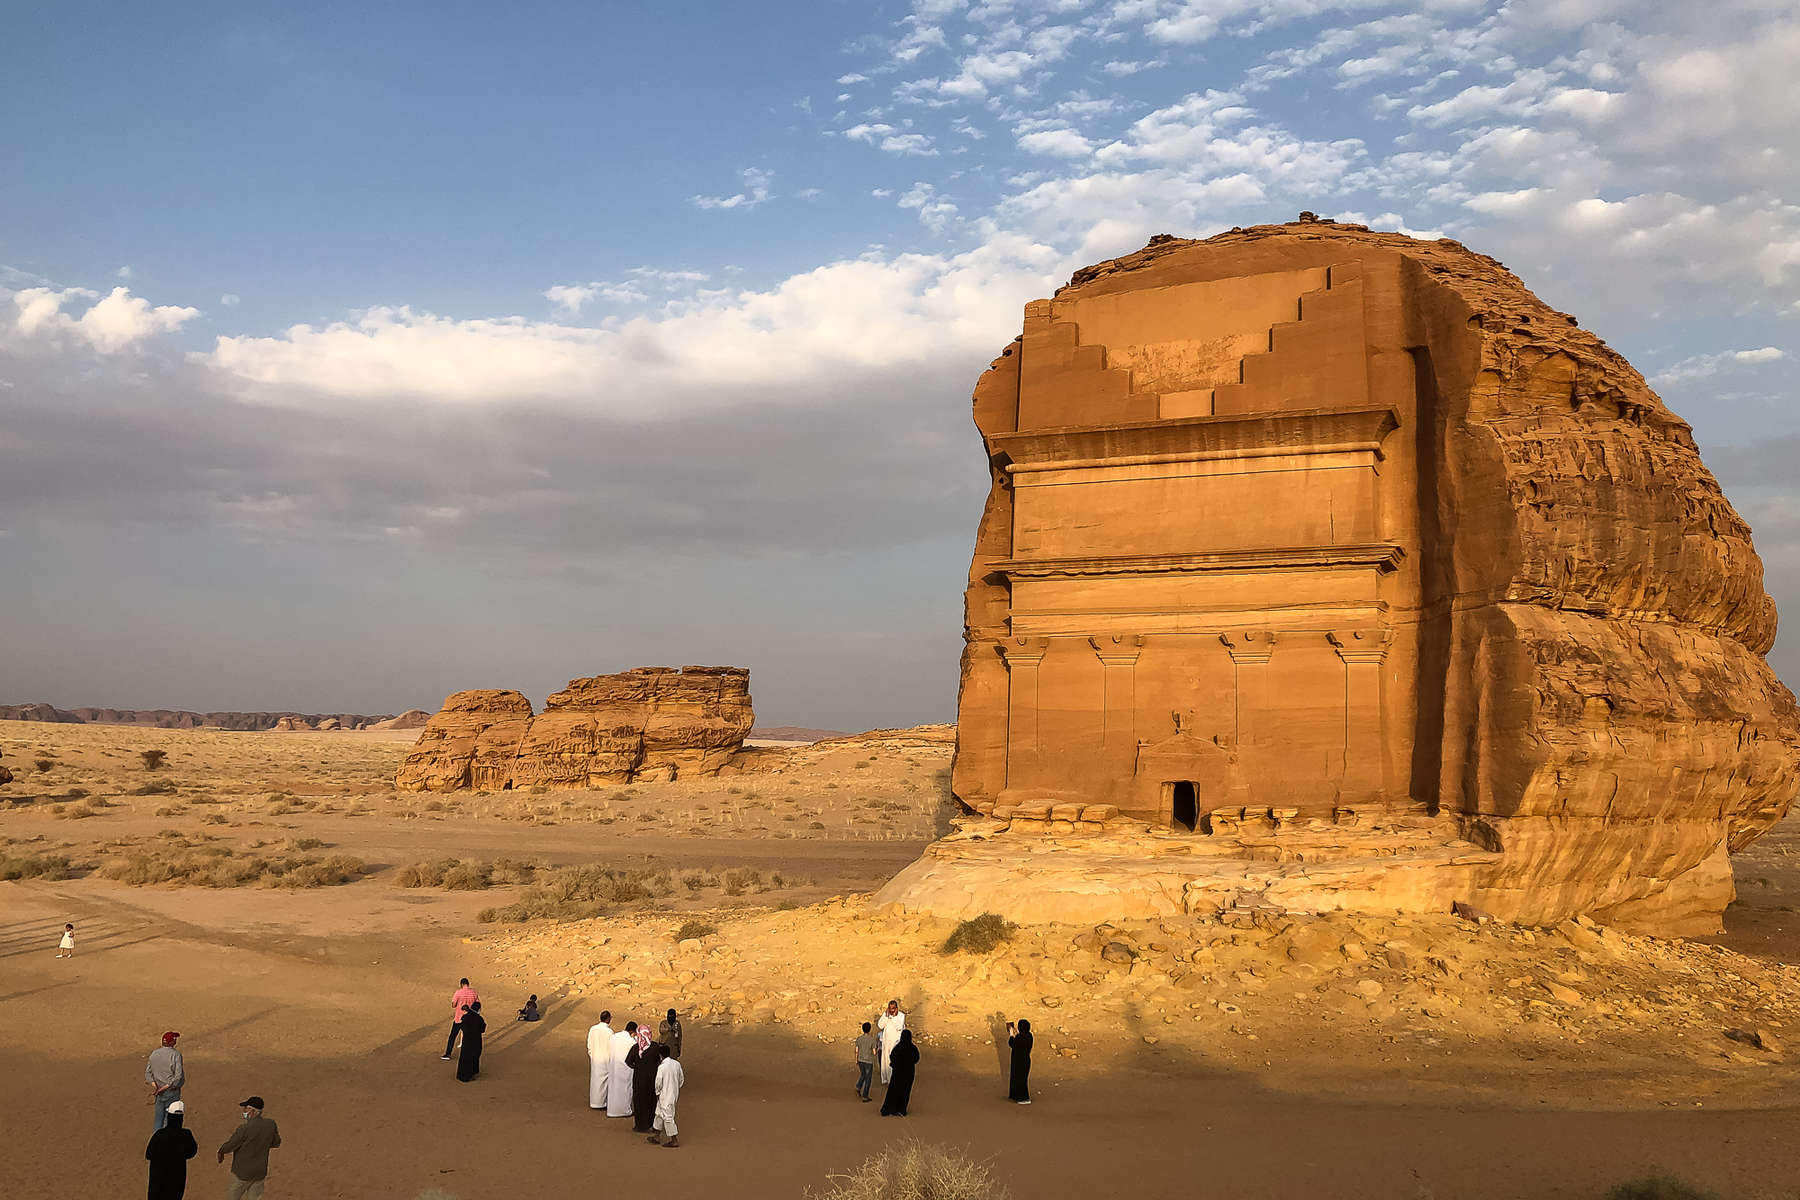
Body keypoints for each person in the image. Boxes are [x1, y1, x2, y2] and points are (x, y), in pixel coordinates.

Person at [216, 1096, 280, 1200]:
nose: (244, 1111)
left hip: (242, 1173)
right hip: (260, 1172)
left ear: (252, 1111)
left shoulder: (244, 1129)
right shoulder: (271, 1124)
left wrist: (221, 1151)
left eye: (246, 1108)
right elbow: (276, 1142)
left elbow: (231, 1145)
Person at [144, 1098, 197, 1200]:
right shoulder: (186, 1135)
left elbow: (148, 1154)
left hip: (158, 1179)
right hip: (177, 1178)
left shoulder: (159, 1134)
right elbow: (192, 1152)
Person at [146, 1031, 184, 1131]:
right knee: (169, 1120)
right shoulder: (176, 1055)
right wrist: (165, 1087)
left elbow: (148, 1074)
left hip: (159, 1093)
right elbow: (178, 1076)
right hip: (172, 1092)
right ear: (172, 1042)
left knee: (158, 1120)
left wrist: (156, 1087)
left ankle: (155, 1141)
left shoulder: (154, 1053)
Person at [649, 1044, 684, 1148]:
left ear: (660, 1056)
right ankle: (656, 1136)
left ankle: (674, 1140)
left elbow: (658, 1083)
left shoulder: (662, 1067)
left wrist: (657, 1093)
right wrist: (675, 1089)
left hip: (665, 1095)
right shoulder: (677, 1064)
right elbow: (681, 1079)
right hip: (673, 1094)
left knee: (668, 1117)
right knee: (659, 1113)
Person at [879, 1029, 919, 1116]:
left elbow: (892, 1056)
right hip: (908, 1073)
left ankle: (890, 1109)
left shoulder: (898, 1047)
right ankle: (901, 1110)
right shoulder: (913, 1048)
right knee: (905, 1092)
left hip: (897, 1073)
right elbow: (916, 1058)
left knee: (893, 1091)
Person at [628, 1032, 658, 1133]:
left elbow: (628, 1061)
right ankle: (651, 1124)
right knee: (651, 1101)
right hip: (652, 1079)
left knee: (639, 1102)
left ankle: (639, 1126)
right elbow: (660, 1060)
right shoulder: (655, 1047)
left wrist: (636, 1066)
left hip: (639, 1079)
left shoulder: (636, 1047)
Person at [606, 1021, 637, 1117]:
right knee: (625, 1090)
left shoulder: (614, 1037)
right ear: (632, 1031)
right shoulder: (631, 1041)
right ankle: (625, 1111)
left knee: (613, 1089)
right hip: (625, 1068)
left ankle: (612, 1110)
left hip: (614, 1066)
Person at [442, 977, 478, 1060]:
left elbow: (453, 1005)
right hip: (470, 1019)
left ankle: (448, 1054)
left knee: (453, 1036)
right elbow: (478, 1005)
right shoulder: (473, 992)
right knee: (469, 1037)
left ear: (461, 984)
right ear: (468, 984)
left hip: (459, 1018)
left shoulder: (458, 992)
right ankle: (468, 1055)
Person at [586, 1011, 615, 1111]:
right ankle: (603, 1103)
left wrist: (592, 1055)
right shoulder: (609, 1032)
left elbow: (589, 1045)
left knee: (595, 1081)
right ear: (608, 1019)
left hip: (595, 1058)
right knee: (605, 1082)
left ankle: (595, 1102)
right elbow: (611, 1046)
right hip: (605, 1059)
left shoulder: (593, 1029)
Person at [876, 999, 906, 1085]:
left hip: (896, 1042)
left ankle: (893, 1080)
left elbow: (899, 1027)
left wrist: (893, 1017)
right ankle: (886, 1079)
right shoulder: (886, 1014)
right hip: (886, 1042)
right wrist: (886, 1016)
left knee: (894, 1060)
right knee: (886, 1060)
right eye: (890, 1008)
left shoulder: (901, 1016)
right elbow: (880, 1025)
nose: (891, 1010)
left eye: (893, 1008)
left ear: (896, 1008)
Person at [455, 1001, 487, 1082]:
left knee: (465, 1057)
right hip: (476, 1040)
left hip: (467, 1040)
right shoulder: (479, 1018)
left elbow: (462, 1027)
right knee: (474, 1056)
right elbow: (482, 1029)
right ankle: (471, 1074)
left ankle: (462, 1075)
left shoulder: (465, 1017)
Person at [1007, 1018, 1033, 1104]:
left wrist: (1011, 1034)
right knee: (1022, 1079)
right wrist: (1017, 1033)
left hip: (1018, 1062)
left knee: (1019, 1079)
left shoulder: (1020, 1038)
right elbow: (1021, 1041)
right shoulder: (1029, 1036)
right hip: (1026, 1061)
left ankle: (1023, 1098)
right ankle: (1017, 1096)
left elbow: (1012, 1043)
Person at [854, 1021, 877, 1102]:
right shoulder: (872, 1039)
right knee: (868, 1079)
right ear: (869, 1029)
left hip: (860, 1060)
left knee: (863, 1074)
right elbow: (874, 1052)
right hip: (868, 1061)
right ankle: (865, 1096)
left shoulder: (859, 1039)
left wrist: (856, 1060)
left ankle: (858, 1086)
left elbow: (856, 1050)